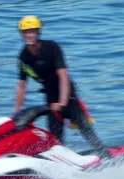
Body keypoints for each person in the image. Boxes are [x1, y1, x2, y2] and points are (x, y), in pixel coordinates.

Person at [14, 15, 110, 155]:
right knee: (56, 140)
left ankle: (106, 156)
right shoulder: (23, 57)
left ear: (38, 32)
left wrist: (63, 101)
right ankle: (63, 165)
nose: (29, 35)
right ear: (21, 34)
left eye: (32, 31)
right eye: (26, 32)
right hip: (51, 100)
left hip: (68, 97)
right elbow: (21, 86)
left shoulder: (51, 47)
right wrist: (17, 113)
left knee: (87, 132)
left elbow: (63, 75)